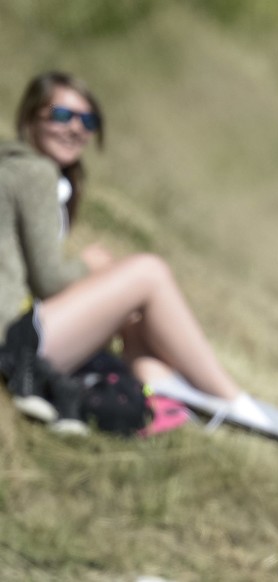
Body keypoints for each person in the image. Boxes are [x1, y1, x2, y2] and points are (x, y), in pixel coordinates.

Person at [1, 71, 264, 431]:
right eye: (62, 115)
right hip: (12, 343)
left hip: (17, 332)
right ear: (31, 117)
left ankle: (162, 388)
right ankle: (235, 404)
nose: (75, 128)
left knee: (129, 298)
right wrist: (89, 266)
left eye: (87, 120)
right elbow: (48, 281)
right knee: (147, 271)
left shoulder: (15, 168)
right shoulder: (35, 175)